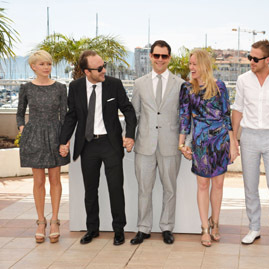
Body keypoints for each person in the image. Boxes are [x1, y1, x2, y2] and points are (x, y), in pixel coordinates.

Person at [59, 50, 137, 246]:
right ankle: (92, 229)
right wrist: (64, 140)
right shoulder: (75, 87)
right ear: (87, 71)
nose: (104, 70)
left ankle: (118, 230)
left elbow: (128, 109)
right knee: (90, 190)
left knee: (115, 189)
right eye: (99, 68)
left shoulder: (114, 84)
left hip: (111, 144)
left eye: (104, 66)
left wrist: (129, 135)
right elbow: (72, 116)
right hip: (88, 145)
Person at [231, 40, 269, 248]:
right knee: (250, 186)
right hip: (248, 137)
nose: (251, 61)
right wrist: (234, 138)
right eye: (249, 57)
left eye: (255, 58)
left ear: (268, 60)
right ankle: (254, 228)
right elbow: (238, 109)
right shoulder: (243, 80)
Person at [179, 49, 238, 247]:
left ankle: (216, 223)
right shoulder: (187, 88)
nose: (191, 67)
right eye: (190, 64)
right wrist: (181, 143)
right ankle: (204, 228)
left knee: (219, 185)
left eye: (195, 63)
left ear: (205, 65)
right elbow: (184, 118)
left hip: (221, 141)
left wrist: (233, 144)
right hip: (201, 142)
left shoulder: (220, 86)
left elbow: (226, 116)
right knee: (203, 185)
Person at [130, 40, 184, 245]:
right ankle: (143, 228)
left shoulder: (180, 85)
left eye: (164, 56)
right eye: (156, 55)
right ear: (151, 56)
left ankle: (167, 227)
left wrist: (184, 142)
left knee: (170, 189)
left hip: (170, 145)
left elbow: (183, 116)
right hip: (144, 145)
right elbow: (133, 114)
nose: (160, 59)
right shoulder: (139, 83)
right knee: (144, 189)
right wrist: (129, 137)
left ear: (169, 58)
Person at [16, 50, 70, 244]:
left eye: (48, 64)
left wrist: (65, 141)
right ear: (33, 67)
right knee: (38, 180)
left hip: (55, 134)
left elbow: (65, 116)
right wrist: (23, 129)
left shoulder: (60, 88)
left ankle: (55, 220)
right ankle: (41, 221)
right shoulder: (26, 88)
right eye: (42, 64)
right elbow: (20, 113)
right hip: (34, 135)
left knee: (55, 178)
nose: (46, 67)